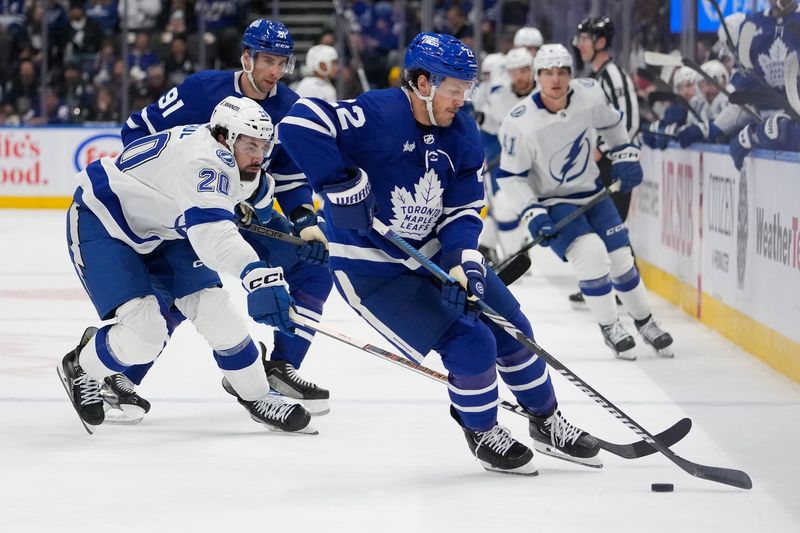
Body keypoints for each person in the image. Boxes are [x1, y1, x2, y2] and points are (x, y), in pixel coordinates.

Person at [278, 32, 602, 474]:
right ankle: (483, 430)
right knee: (472, 342)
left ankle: (546, 422)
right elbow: (300, 123)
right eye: (456, 88)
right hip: (375, 270)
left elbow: (466, 206)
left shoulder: (463, 130)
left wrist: (462, 260)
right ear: (424, 83)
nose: (463, 99)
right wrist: (339, 183)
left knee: (513, 329)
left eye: (467, 88)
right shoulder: (379, 112)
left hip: (433, 252)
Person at [113, 19, 333, 421]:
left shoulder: (287, 108)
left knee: (314, 269)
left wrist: (304, 219)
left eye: (282, 63)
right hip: (181, 214)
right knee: (186, 288)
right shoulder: (202, 89)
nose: (274, 72)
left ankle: (280, 367)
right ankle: (121, 376)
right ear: (246, 57)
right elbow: (134, 134)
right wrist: (191, 197)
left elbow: (288, 174)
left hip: (244, 211)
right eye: (267, 60)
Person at [59, 96, 315, 434]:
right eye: (251, 144)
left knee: (215, 310)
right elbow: (213, 238)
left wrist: (290, 221)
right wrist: (257, 276)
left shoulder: (233, 154)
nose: (259, 155)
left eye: (264, 145)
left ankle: (256, 396)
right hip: (104, 222)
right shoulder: (204, 162)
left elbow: (256, 191)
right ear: (225, 137)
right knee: (145, 333)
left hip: (161, 229)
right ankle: (82, 367)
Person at [497, 44, 674, 361]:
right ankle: (610, 326)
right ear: (538, 76)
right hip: (553, 202)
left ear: (571, 75)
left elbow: (613, 123)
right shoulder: (520, 121)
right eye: (548, 73)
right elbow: (511, 177)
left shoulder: (590, 94)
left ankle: (645, 322)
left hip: (592, 192)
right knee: (591, 255)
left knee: (621, 259)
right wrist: (533, 214)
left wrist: (624, 155)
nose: (556, 80)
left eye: (562, 72)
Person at [571, 16, 640, 310]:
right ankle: (613, 286)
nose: (579, 45)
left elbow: (630, 121)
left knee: (613, 228)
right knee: (606, 226)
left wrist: (600, 149)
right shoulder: (597, 77)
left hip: (617, 164)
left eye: (585, 39)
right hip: (603, 164)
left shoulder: (613, 76)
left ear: (600, 42)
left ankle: (627, 291)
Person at [478, 47, 537, 262]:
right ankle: (516, 257)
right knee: (502, 204)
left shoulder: (545, 92)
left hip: (548, 167)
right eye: (514, 72)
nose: (519, 77)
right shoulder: (501, 97)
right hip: (518, 165)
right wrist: (481, 119)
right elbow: (492, 124)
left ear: (531, 70)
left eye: (523, 71)